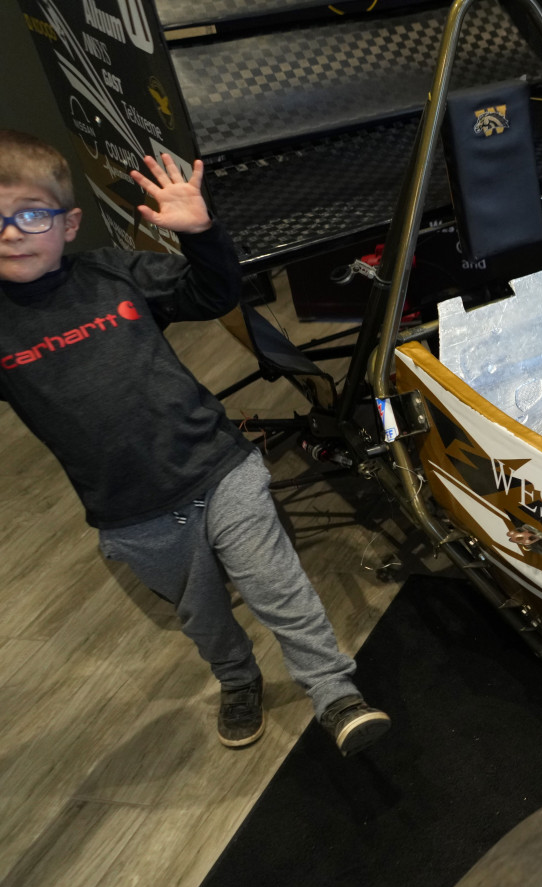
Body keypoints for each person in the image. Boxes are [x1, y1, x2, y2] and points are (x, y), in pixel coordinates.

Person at [0, 129, 389, 757]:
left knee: (279, 587)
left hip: (218, 467)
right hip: (132, 511)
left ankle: (334, 693)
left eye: (30, 214)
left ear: (69, 223)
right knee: (203, 616)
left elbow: (212, 295)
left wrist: (202, 235)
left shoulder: (115, 275)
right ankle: (238, 680)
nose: (12, 232)